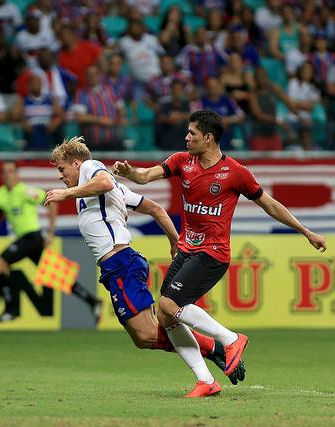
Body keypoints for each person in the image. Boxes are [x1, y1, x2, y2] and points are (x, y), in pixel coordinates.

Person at [112, 110, 327, 397]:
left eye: (192, 134)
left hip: (213, 253)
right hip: (187, 250)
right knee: (166, 316)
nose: (186, 138)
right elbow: (145, 175)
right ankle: (206, 381)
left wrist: (306, 231)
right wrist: (130, 173)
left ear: (208, 138)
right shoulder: (181, 161)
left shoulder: (235, 173)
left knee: (169, 303)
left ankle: (231, 339)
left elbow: (271, 205)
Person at [44, 136, 244, 397]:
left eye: (61, 169)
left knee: (149, 332)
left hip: (121, 263)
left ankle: (214, 352)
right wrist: (175, 241)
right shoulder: (110, 190)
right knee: (143, 338)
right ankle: (211, 355)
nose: (61, 177)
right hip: (117, 267)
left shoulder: (91, 169)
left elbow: (103, 181)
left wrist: (67, 193)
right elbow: (156, 209)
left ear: (76, 163)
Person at [0, 161, 102, 323]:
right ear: (1, 175)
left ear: (17, 174)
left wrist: (50, 231)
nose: (7, 175)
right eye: (4, 172)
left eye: (11, 171)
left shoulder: (25, 191)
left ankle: (11, 310)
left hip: (32, 237)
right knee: (56, 275)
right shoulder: (0, 195)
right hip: (25, 240)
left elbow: (52, 203)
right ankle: (92, 301)